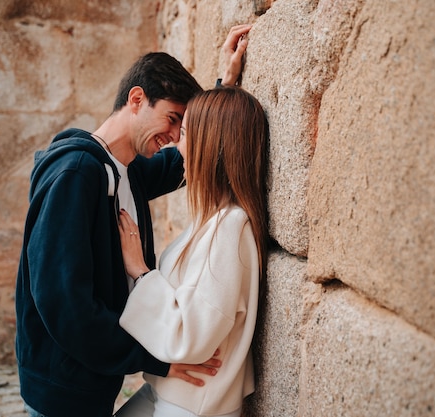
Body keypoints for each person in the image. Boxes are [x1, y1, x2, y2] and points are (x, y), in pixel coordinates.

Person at [15, 24, 252, 417]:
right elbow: (63, 304)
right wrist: (156, 359)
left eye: (182, 127)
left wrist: (223, 86)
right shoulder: (76, 173)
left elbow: (193, 157)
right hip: (62, 390)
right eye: (172, 119)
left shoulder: (128, 170)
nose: (176, 136)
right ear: (137, 99)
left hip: (92, 380)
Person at [114, 86, 269, 417]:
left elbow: (192, 335)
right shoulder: (214, 218)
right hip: (170, 397)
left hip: (192, 405)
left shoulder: (230, 227)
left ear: (210, 143)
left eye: (184, 133)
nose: (176, 143)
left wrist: (140, 272)